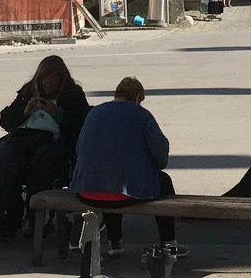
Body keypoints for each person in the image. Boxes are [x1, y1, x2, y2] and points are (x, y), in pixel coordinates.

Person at [71, 76, 180, 257]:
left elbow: (78, 150)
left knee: (111, 179)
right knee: (161, 182)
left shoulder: (94, 112)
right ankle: (169, 242)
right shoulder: (142, 115)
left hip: (87, 192)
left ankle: (115, 241)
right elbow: (161, 156)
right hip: (123, 195)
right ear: (137, 97)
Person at [0, 53, 90, 237]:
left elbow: (83, 123)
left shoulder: (72, 94)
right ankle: (9, 213)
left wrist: (58, 113)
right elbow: (6, 121)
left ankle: (37, 217)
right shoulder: (29, 92)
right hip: (24, 137)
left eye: (53, 77)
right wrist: (24, 112)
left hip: (53, 140)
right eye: (44, 77)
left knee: (43, 163)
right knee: (8, 163)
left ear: (62, 79)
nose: (48, 82)